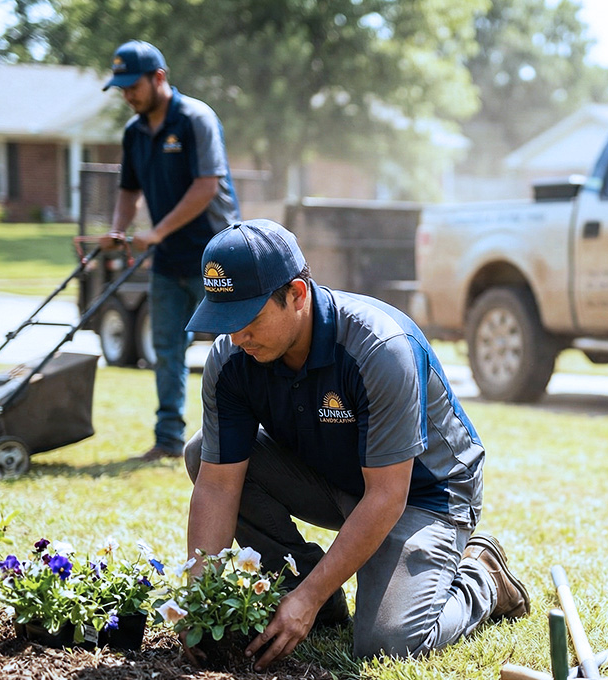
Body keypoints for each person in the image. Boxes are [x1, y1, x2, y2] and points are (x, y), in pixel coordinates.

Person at [180, 219, 528, 667]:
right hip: (337, 474)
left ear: (297, 296)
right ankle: (315, 599)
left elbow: (387, 496)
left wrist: (305, 598)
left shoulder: (379, 348)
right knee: (201, 452)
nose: (236, 335)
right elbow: (218, 486)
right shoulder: (232, 358)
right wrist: (198, 597)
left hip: (425, 493)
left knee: (389, 643)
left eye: (248, 318)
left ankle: (483, 576)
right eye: (223, 320)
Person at [102, 40, 240, 461]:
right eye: (121, 87)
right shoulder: (134, 133)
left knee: (237, 349)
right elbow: (129, 191)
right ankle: (166, 440)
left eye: (133, 85)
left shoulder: (196, 118)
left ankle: (246, 437)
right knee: (166, 349)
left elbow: (206, 186)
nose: (127, 94)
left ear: (158, 77)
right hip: (168, 259)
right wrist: (117, 229)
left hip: (217, 255)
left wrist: (157, 231)